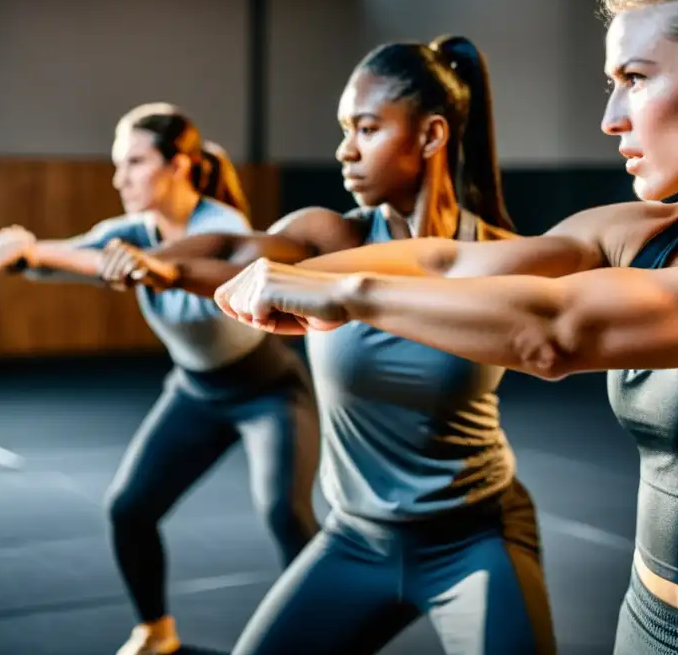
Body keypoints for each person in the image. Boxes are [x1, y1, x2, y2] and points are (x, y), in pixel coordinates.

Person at [214, 0, 678, 655]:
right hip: (644, 628)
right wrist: (283, 281)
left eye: (634, 80)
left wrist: (345, 296)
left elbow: (556, 334)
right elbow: (450, 264)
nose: (611, 118)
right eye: (612, 85)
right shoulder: (642, 232)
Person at [96, 38, 557, 655]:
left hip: (475, 539)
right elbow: (235, 250)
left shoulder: (496, 255)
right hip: (356, 539)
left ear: (429, 137)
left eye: (366, 129)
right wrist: (161, 265)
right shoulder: (328, 238)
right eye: (345, 129)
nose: (345, 150)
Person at [0, 104, 320, 655]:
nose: (121, 178)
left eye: (135, 162)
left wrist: (58, 255)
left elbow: (160, 266)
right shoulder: (129, 231)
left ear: (179, 166)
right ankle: (155, 632)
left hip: (267, 392)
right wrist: (21, 254)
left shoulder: (222, 227)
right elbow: (77, 254)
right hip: (196, 392)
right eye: (119, 164)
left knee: (287, 516)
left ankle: (324, 640)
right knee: (128, 509)